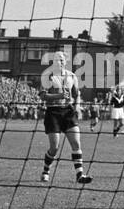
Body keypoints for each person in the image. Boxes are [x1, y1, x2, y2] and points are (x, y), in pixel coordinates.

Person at [39, 52, 93, 184]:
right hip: (53, 112)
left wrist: (77, 105)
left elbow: (76, 94)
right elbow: (42, 95)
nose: (60, 62)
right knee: (54, 147)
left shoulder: (72, 76)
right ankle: (46, 171)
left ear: (65, 62)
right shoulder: (47, 76)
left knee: (76, 143)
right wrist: (59, 96)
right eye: (57, 60)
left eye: (62, 60)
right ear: (53, 62)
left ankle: (80, 175)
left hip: (68, 112)